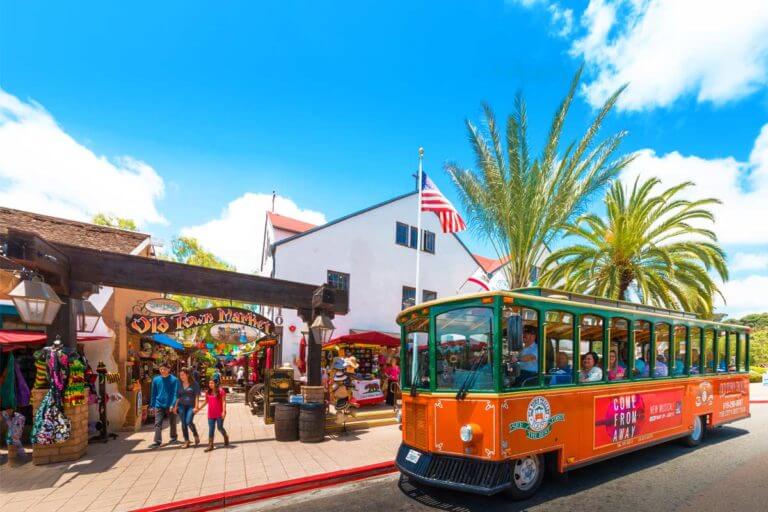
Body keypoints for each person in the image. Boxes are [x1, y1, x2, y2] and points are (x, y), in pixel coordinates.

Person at [195, 373, 229, 452]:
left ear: (216, 383)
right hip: (211, 414)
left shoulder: (221, 391)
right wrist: (199, 408)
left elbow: (224, 402)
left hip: (220, 413)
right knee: (211, 429)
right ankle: (210, 445)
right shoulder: (208, 392)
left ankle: (225, 436)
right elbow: (206, 401)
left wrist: (223, 411)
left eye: (212, 383)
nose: (210, 384)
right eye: (209, 383)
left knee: (220, 427)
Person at [149, 361, 179, 448]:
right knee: (157, 423)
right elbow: (153, 393)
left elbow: (175, 394)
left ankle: (173, 438)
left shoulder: (174, 380)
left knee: (172, 422)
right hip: (159, 404)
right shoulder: (156, 380)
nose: (162, 371)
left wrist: (172, 404)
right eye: (161, 369)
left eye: (164, 369)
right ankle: (157, 441)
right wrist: (152, 405)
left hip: (170, 405)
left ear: (169, 369)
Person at [175, 367, 200, 448]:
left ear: (187, 375)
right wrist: (175, 407)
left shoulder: (194, 384)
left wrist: (196, 407)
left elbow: (196, 396)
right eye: (180, 375)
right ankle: (186, 441)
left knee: (188, 421)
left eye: (183, 375)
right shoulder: (179, 383)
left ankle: (195, 434)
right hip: (181, 405)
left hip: (191, 405)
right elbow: (178, 396)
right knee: (183, 423)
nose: (181, 377)